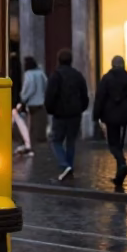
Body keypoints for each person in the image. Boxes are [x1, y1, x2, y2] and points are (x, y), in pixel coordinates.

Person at [44, 48, 89, 180]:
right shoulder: (78, 75)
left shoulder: (55, 76)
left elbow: (50, 96)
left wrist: (51, 110)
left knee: (56, 140)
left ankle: (64, 165)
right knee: (71, 142)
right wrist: (81, 108)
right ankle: (69, 167)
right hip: (75, 114)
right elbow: (84, 95)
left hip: (60, 115)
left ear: (59, 60)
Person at [93, 54, 127, 188]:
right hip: (124, 113)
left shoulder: (107, 79)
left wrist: (95, 115)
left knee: (113, 145)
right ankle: (119, 177)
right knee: (119, 144)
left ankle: (122, 164)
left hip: (111, 115)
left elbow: (100, 98)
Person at [19, 55, 48, 144]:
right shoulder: (41, 73)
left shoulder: (28, 74)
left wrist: (23, 98)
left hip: (32, 103)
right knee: (40, 125)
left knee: (31, 125)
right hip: (41, 103)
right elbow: (46, 84)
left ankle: (31, 142)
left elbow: (29, 88)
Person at [10, 52, 32, 155]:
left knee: (18, 123)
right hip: (16, 101)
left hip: (14, 102)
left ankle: (27, 144)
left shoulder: (14, 72)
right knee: (19, 123)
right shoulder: (19, 71)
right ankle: (26, 144)